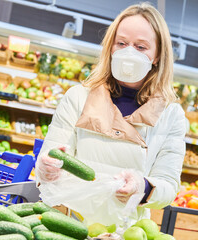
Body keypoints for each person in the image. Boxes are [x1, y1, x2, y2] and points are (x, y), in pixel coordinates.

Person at [36, 3, 186, 223]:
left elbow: (168, 185)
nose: (128, 53)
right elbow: (52, 155)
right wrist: (46, 169)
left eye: (141, 47)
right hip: (66, 222)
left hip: (123, 231)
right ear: (111, 47)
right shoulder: (78, 97)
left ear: (157, 56)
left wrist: (142, 186)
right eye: (122, 43)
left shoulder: (171, 115)